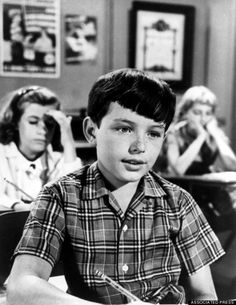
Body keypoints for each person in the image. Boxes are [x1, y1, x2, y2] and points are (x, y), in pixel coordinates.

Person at [7, 69, 224, 304]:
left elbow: (205, 296)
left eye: (153, 133)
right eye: (124, 129)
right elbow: (20, 287)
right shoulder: (60, 196)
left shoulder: (179, 202)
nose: (140, 146)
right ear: (92, 130)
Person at [0, 85, 82, 211]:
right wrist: (19, 206)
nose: (43, 130)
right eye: (33, 122)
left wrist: (69, 143)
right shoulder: (2, 153)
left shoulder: (61, 161)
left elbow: (76, 200)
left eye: (50, 123)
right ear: (15, 122)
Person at [162, 85, 236, 175]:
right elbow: (176, 172)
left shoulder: (214, 134)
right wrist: (200, 137)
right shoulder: (174, 134)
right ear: (185, 112)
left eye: (208, 113)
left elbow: (233, 166)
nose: (203, 118)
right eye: (197, 113)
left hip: (206, 186)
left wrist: (216, 134)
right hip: (180, 186)